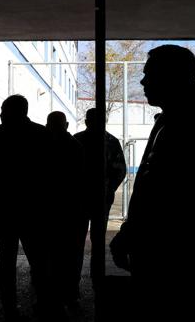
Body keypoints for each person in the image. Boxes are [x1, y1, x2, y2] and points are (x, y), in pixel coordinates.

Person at [109, 45, 195, 318]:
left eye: (149, 74)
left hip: (172, 256)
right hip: (174, 251)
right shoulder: (181, 121)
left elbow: (164, 197)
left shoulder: (186, 127)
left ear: (172, 78)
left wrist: (129, 234)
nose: (143, 81)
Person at [0, 95, 56, 322]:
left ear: (10, 111)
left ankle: (10, 310)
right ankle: (44, 306)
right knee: (39, 260)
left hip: (5, 208)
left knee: (6, 261)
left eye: (3, 109)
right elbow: (54, 175)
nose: (0, 113)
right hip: (35, 209)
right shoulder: (42, 135)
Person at [72, 107, 126, 297]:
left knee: (76, 241)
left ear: (87, 121)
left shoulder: (76, 140)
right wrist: (107, 190)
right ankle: (97, 280)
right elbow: (120, 170)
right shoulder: (110, 141)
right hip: (100, 200)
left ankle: (73, 285)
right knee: (98, 241)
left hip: (78, 199)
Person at [44, 111, 86, 309]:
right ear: (67, 125)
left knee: (52, 253)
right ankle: (71, 294)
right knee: (73, 253)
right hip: (74, 211)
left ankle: (52, 296)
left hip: (51, 211)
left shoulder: (42, 147)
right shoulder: (76, 147)